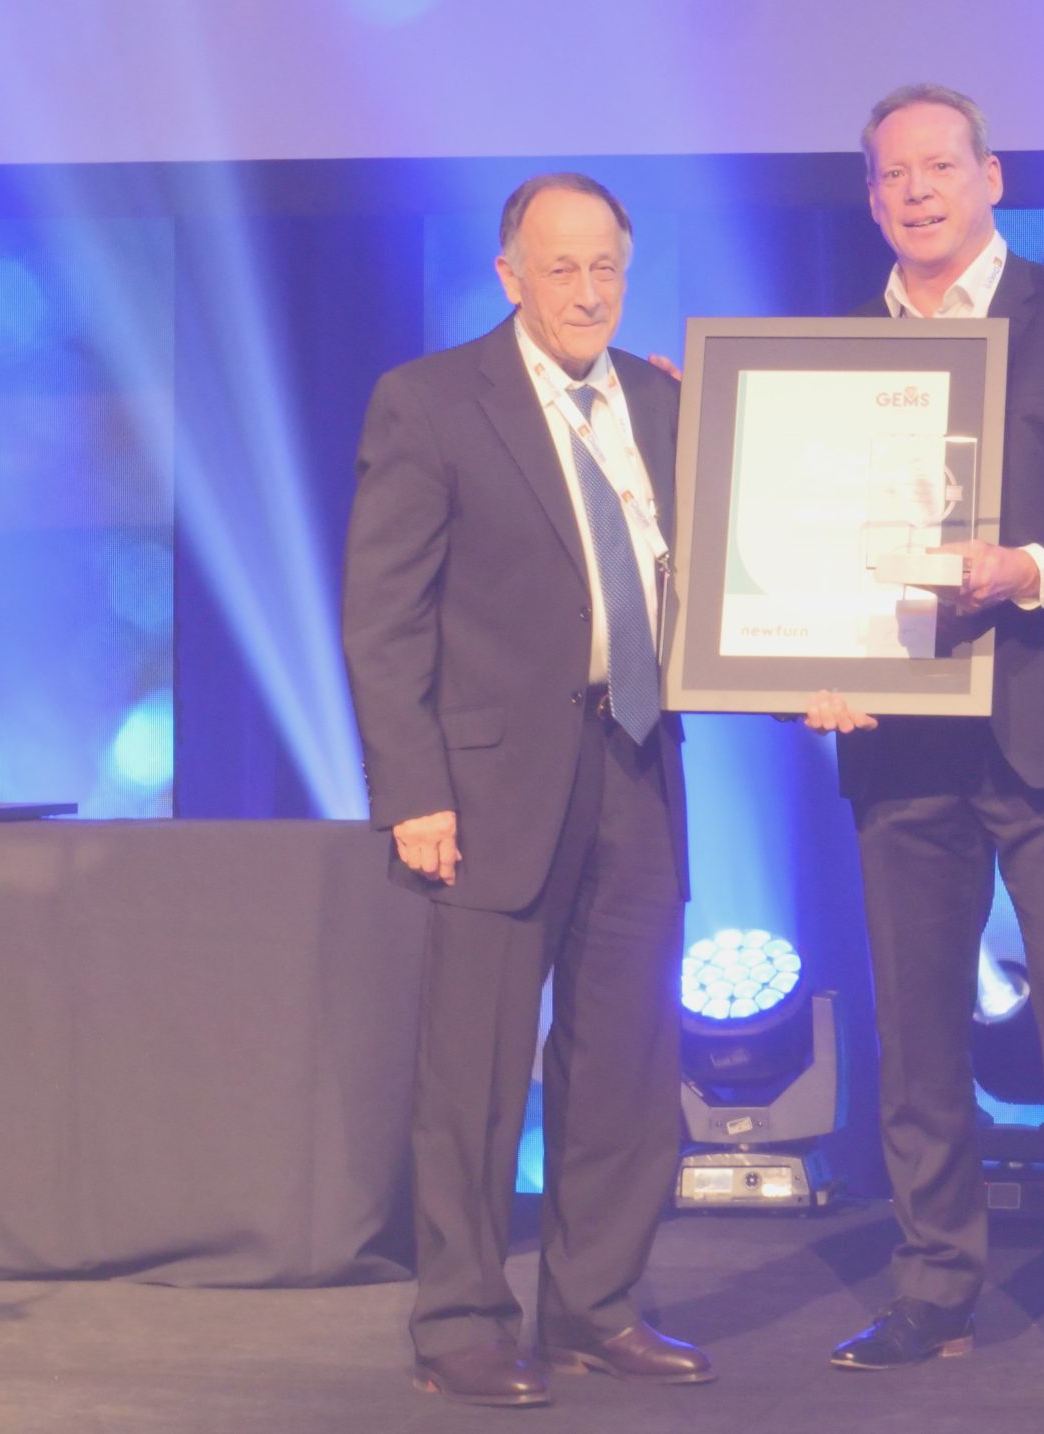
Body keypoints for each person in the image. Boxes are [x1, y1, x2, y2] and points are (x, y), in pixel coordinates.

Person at [811, 84, 1044, 1387]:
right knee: (916, 1033)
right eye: (892, 174)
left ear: (991, 176)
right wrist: (802, 650)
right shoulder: (830, 358)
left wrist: (1026, 566)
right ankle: (933, 1287)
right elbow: (800, 541)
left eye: (939, 166)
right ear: (871, 198)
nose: (916, 190)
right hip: (902, 730)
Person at [341, 171, 710, 1409]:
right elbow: (384, 615)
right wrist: (413, 790)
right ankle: (459, 1322)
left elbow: (726, 583)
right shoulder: (432, 401)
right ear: (509, 276)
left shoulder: (663, 401)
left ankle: (594, 1309)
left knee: (625, 1063)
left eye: (606, 266)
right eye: (561, 268)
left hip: (637, 762)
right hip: (487, 787)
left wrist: (813, 671)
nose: (587, 291)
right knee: (476, 1075)